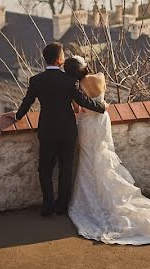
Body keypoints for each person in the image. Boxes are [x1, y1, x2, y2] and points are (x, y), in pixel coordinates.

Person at [62, 56, 150, 245]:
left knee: (88, 158)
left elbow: (78, 109)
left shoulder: (76, 87)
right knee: (103, 154)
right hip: (102, 123)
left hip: (87, 125)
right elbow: (101, 101)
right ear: (85, 67)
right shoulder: (99, 78)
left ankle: (92, 197)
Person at [12, 42, 106, 217]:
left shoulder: (36, 80)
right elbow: (82, 101)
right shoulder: (70, 81)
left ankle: (48, 206)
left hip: (47, 130)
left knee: (45, 169)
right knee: (66, 168)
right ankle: (62, 207)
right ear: (59, 60)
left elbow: (27, 102)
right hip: (67, 131)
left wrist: (17, 116)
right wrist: (101, 107)